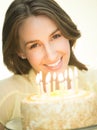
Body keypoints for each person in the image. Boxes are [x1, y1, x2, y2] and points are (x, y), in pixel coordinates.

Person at [0, 0, 97, 129]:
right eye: (34, 45)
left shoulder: (94, 84)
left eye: (56, 36)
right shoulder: (6, 95)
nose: (51, 55)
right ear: (20, 51)